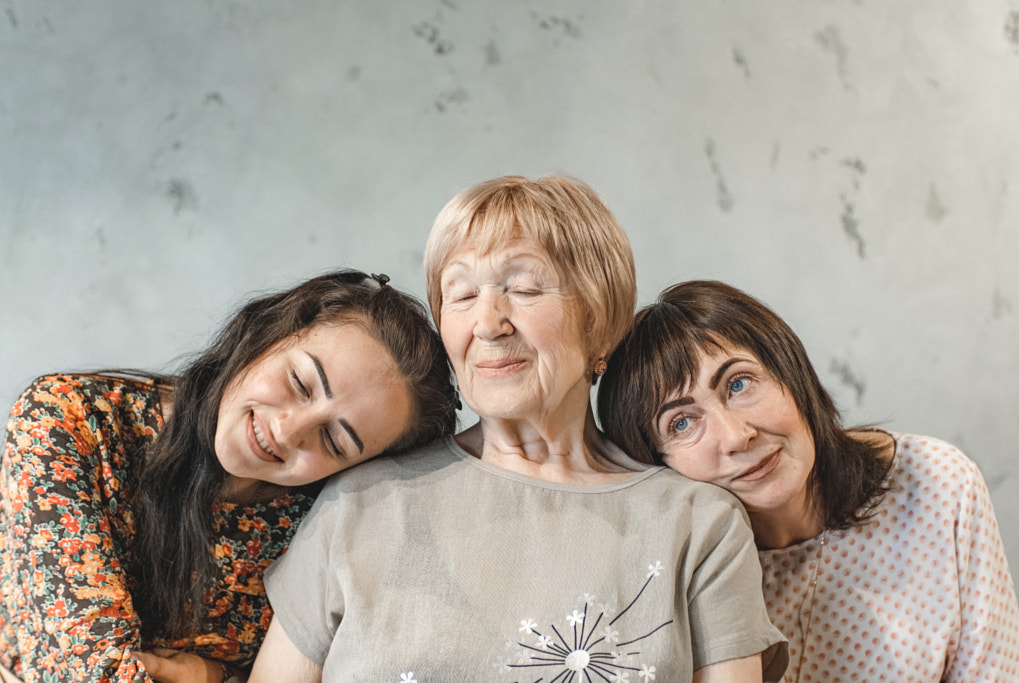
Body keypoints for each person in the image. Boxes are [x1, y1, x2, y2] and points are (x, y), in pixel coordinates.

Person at [250, 176, 788, 682]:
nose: (487, 323)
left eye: (525, 289)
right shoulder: (358, 504)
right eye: (461, 296)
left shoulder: (698, 525)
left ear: (598, 320)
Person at [0, 269, 458, 683]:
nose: (287, 431)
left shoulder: (323, 522)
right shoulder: (68, 419)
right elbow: (90, 669)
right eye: (300, 383)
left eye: (334, 441)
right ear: (270, 333)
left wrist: (215, 676)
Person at [597, 279, 1019, 682]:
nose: (737, 436)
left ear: (791, 372)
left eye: (739, 384)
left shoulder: (936, 485)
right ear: (654, 462)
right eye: (682, 423)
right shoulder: (666, 569)